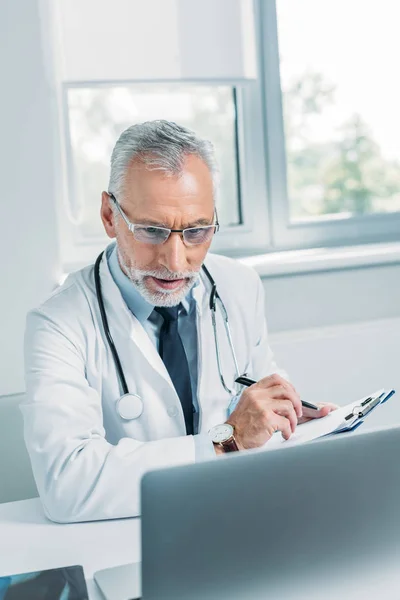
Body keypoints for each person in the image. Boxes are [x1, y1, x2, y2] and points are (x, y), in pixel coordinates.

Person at [22, 120, 335, 523]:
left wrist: (294, 420)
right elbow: (66, 485)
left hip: (234, 516)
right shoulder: (58, 324)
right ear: (108, 216)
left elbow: (259, 407)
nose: (175, 261)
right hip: (129, 536)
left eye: (197, 231)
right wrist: (222, 443)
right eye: (152, 230)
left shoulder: (239, 287)